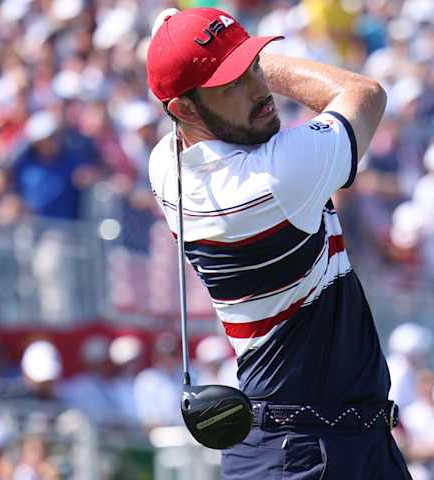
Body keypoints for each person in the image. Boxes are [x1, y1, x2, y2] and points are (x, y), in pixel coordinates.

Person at [145, 7, 409, 478]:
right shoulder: (273, 178)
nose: (259, 89)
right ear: (185, 109)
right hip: (306, 454)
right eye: (233, 83)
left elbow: (172, 96)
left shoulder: (166, 165)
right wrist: (263, 61)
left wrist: (187, 48)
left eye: (254, 66)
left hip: (314, 442)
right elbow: (363, 93)